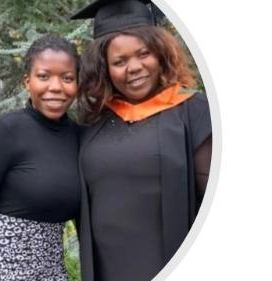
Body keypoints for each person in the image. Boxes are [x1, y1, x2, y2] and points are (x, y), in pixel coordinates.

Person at [70, 0, 212, 280]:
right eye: (119, 62)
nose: (133, 67)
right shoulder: (92, 122)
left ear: (160, 54)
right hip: (106, 269)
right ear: (104, 68)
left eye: (143, 54)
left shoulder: (194, 111)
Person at [0, 34, 81, 281]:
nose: (55, 87)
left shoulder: (79, 137)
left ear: (77, 83)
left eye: (67, 78)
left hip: (51, 271)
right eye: (44, 76)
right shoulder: (7, 131)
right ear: (28, 81)